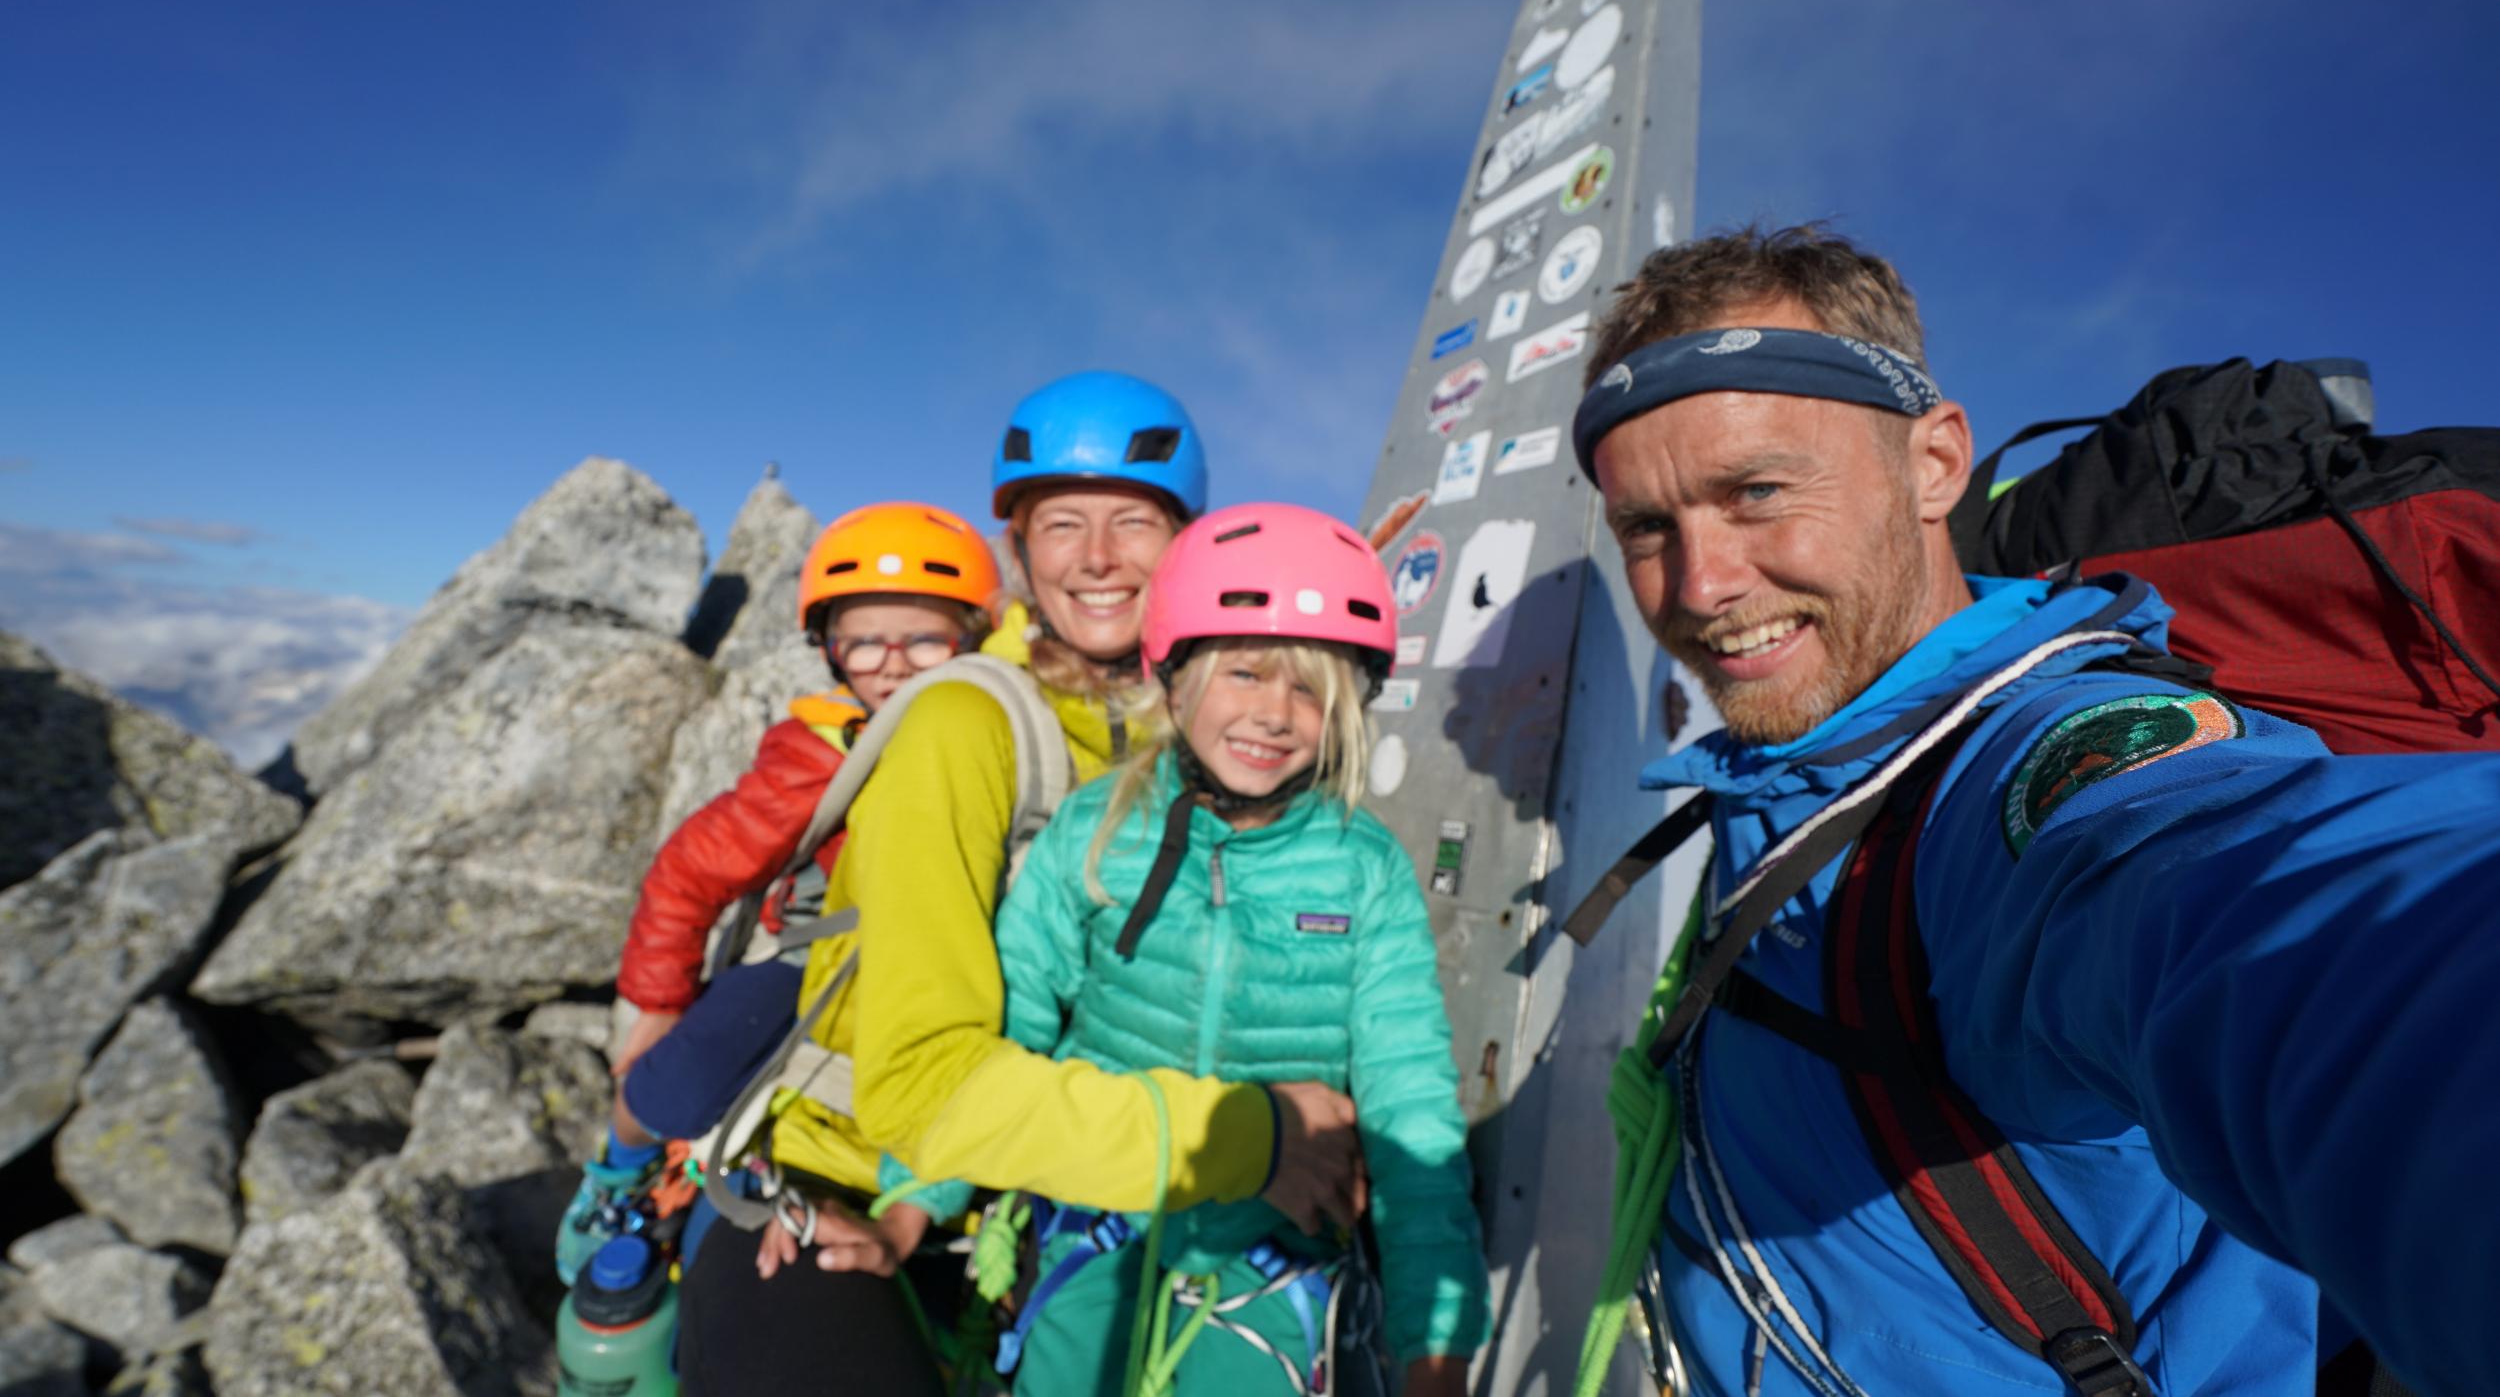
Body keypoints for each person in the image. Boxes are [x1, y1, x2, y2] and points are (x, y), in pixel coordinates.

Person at [1570, 224, 2500, 1396]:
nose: (1700, 586)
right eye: (1646, 528)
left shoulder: (2033, 760)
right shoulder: (1802, 781)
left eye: (1757, 490)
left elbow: (2260, 904)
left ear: (1935, 464)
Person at [673, 373, 1369, 1396]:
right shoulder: (965, 726)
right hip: (845, 1177)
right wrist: (1251, 1139)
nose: (1095, 558)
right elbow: (917, 1087)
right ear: (1018, 554)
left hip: (1055, 1198)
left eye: (1133, 520)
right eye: (1060, 525)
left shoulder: (1217, 729)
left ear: (1189, 543)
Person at [938, 502, 1486, 1396]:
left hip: (1268, 1275)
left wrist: (1435, 1340)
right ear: (1176, 674)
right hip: (1094, 1238)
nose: (1275, 712)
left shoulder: (1361, 867)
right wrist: (911, 1204)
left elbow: (1409, 1103)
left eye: (1312, 688)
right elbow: (1007, 1028)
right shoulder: (1097, 828)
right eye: (1246, 672)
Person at [555, 500, 1002, 1286]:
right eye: (864, 642)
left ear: (972, 639)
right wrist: (660, 1003)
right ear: (829, 650)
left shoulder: (995, 738)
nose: (893, 665)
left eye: (925, 638)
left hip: (934, 969)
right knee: (675, 1079)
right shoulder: (822, 755)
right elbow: (693, 869)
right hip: (818, 963)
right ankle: (620, 1172)